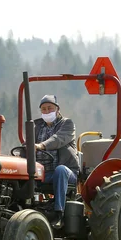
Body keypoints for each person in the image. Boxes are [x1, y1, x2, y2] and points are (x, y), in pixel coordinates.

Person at [34, 94, 79, 229]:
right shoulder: (36, 127)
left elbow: (58, 139)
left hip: (66, 172)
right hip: (42, 172)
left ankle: (59, 214)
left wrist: (41, 145)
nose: (47, 112)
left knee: (60, 169)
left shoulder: (67, 124)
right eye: (44, 109)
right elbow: (28, 143)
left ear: (57, 109)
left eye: (50, 108)